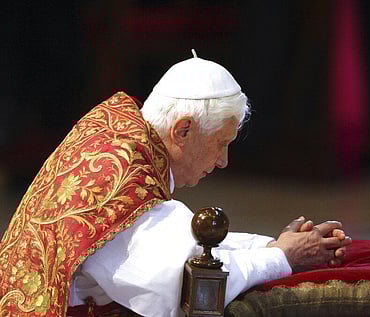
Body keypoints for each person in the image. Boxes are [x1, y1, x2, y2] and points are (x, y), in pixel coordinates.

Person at [0, 51, 351, 317]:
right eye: (220, 144)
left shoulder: (119, 132)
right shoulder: (119, 177)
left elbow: (178, 236)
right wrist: (283, 257)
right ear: (182, 130)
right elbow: (192, 282)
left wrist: (270, 245)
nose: (223, 161)